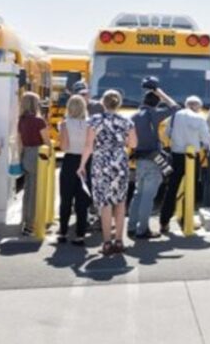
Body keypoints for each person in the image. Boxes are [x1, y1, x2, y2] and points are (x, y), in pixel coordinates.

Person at [79, 90, 137, 256]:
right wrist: (122, 141)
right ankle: (119, 240)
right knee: (120, 201)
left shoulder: (94, 120)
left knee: (105, 203)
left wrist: (82, 165)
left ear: (103, 103)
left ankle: (106, 243)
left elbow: (88, 145)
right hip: (120, 162)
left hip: (101, 162)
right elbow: (133, 143)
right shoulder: (126, 120)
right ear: (118, 103)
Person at [128, 83, 179, 240]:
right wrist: (160, 92)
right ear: (156, 103)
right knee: (148, 197)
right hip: (154, 159)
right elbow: (175, 107)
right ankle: (143, 230)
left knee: (138, 194)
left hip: (140, 160)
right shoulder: (154, 114)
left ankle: (131, 226)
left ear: (143, 101)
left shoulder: (133, 117)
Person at [160, 95, 210, 234]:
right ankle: (186, 221)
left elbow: (167, 133)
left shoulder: (174, 116)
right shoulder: (199, 118)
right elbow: (206, 139)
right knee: (190, 188)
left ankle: (164, 222)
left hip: (176, 155)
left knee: (172, 188)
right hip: (191, 157)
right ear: (196, 106)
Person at [58, 95, 92, 244]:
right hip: (86, 161)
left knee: (66, 199)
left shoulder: (65, 124)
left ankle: (63, 233)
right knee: (82, 200)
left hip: (70, 161)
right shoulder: (90, 124)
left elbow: (64, 147)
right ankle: (80, 234)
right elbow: (91, 146)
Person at [18, 92, 50, 236]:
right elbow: (46, 141)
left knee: (28, 189)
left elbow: (19, 141)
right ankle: (31, 225)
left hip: (25, 154)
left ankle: (25, 221)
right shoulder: (39, 121)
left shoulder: (21, 120)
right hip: (37, 154)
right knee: (35, 190)